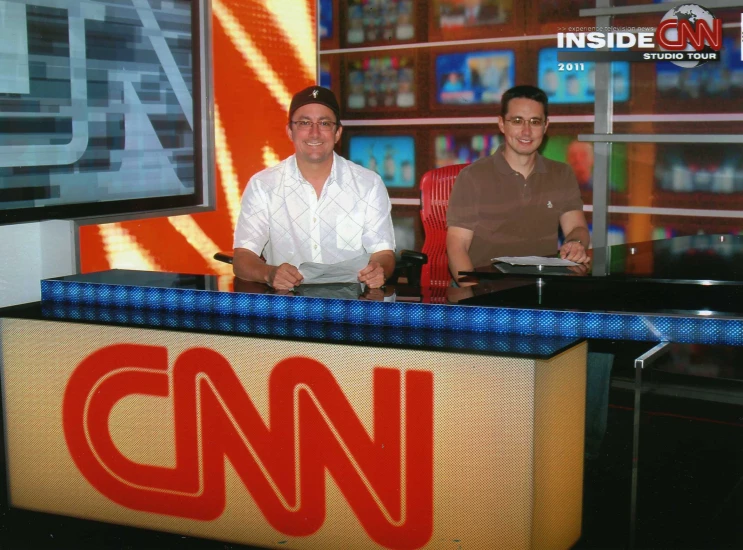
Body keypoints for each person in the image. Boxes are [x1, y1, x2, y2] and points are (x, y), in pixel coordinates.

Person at [232, 86, 396, 290]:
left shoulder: (368, 184)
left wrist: (379, 269)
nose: (314, 133)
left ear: (337, 133)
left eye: (325, 123)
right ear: (289, 131)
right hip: (289, 306)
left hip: (351, 306)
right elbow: (242, 259)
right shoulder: (263, 186)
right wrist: (270, 273)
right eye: (304, 123)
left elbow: (384, 253)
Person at [446, 84, 590, 284]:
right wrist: (474, 297)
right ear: (502, 124)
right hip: (486, 289)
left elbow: (577, 227)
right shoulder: (472, 177)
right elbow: (456, 246)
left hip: (541, 287)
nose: (526, 131)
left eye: (535, 122)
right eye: (517, 121)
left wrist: (575, 243)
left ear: (546, 126)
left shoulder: (562, 174)